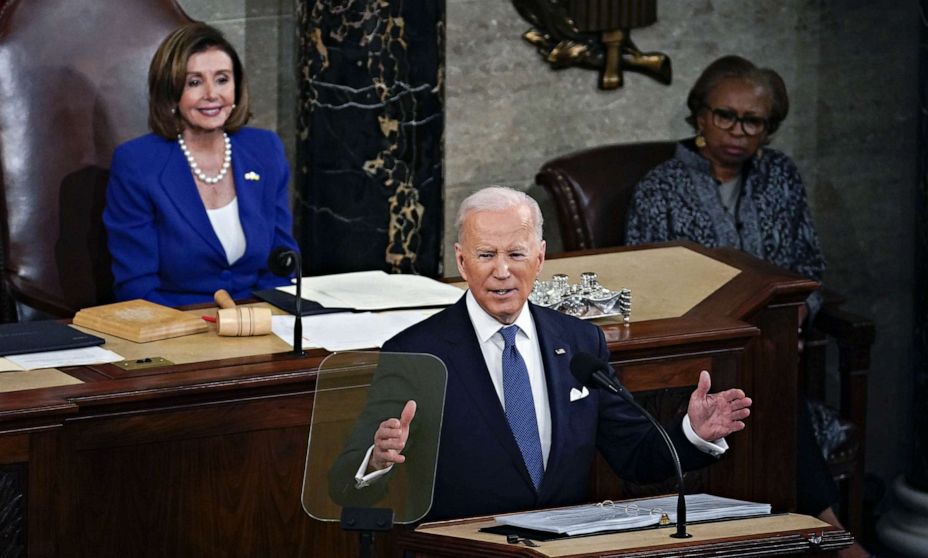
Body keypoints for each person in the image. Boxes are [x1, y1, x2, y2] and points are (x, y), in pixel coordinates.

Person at [331, 186, 753, 522]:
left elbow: (636, 457)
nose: (502, 271)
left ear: (540, 257)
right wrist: (377, 457)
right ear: (461, 262)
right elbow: (343, 483)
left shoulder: (581, 342)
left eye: (516, 254)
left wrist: (694, 432)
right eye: (485, 255)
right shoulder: (416, 352)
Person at [625, 55, 869, 558]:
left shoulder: (781, 176)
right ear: (700, 116)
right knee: (759, 383)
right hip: (699, 356)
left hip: (779, 346)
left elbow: (808, 266)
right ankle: (832, 533)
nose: (737, 131)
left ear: (768, 128)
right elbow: (643, 286)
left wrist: (797, 312)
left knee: (767, 379)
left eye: (752, 121)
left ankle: (812, 533)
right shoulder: (660, 187)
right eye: (725, 116)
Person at [104, 23, 298, 307]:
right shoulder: (137, 163)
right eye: (194, 82)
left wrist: (264, 323)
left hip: (258, 322)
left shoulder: (265, 149)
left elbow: (280, 264)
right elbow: (136, 286)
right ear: (171, 91)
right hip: (176, 326)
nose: (211, 94)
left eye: (222, 79)